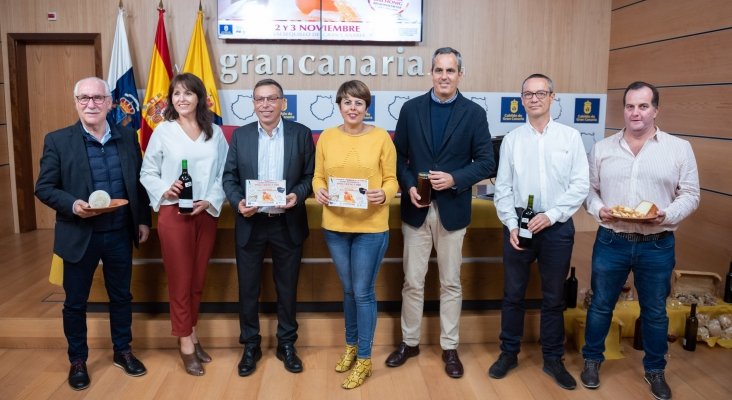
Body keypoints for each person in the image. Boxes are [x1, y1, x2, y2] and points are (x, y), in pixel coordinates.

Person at [580, 81, 700, 400]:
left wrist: (667, 215)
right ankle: (592, 361)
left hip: (657, 243)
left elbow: (690, 194)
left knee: (655, 312)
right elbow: (589, 191)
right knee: (601, 305)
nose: (636, 112)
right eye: (630, 106)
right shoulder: (603, 148)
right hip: (612, 241)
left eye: (643, 106)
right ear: (624, 109)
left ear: (655, 110)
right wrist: (598, 209)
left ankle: (655, 370)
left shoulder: (679, 148)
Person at [35, 77, 151, 391]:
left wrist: (142, 220)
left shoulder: (128, 137)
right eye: (84, 98)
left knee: (121, 297)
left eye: (98, 98)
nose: (91, 104)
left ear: (110, 102)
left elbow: (137, 184)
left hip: (118, 233)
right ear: (75, 102)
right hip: (79, 233)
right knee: (75, 302)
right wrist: (72, 204)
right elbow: (44, 188)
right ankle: (77, 360)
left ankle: (123, 351)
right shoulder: (58, 140)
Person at [386, 47, 494, 378]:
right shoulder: (411, 109)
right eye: (438, 70)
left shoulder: (474, 114)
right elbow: (399, 155)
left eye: (450, 70)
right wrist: (410, 186)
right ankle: (410, 341)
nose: (444, 76)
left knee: (450, 283)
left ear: (460, 74)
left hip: (453, 210)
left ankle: (450, 347)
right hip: (416, 209)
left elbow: (487, 162)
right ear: (431, 73)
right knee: (412, 281)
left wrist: (455, 179)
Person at [490, 73, 589, 390]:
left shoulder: (570, 138)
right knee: (513, 295)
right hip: (519, 226)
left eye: (541, 93)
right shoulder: (512, 140)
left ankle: (553, 359)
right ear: (521, 100)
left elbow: (580, 186)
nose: (534, 98)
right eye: (528, 94)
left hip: (557, 227)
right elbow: (502, 188)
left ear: (552, 97)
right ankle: (508, 353)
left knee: (553, 297)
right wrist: (510, 223)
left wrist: (553, 215)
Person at [222, 79, 314, 377]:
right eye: (259, 99)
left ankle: (287, 344)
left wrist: (297, 195)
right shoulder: (241, 136)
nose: (265, 104)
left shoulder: (301, 135)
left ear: (282, 103)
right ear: (253, 103)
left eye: (272, 99)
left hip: (287, 222)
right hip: (251, 222)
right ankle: (250, 345)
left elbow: (311, 176)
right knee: (248, 288)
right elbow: (229, 178)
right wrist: (238, 203)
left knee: (287, 289)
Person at [140, 73, 228, 376]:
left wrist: (211, 199)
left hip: (205, 212)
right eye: (176, 93)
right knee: (180, 281)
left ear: (199, 98)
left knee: (197, 280)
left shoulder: (214, 132)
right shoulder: (163, 131)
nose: (182, 99)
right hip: (174, 215)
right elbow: (147, 171)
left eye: (188, 93)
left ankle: (192, 333)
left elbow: (223, 174)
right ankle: (186, 344)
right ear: (171, 99)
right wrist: (165, 189)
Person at [313, 80, 398, 389]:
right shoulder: (327, 137)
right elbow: (318, 176)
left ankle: (365, 358)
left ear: (366, 107)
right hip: (335, 226)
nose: (352, 108)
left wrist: (384, 194)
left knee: (362, 291)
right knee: (348, 290)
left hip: (370, 227)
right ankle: (351, 346)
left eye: (359, 103)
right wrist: (319, 191)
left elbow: (392, 179)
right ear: (339, 106)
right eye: (347, 102)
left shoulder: (381, 138)